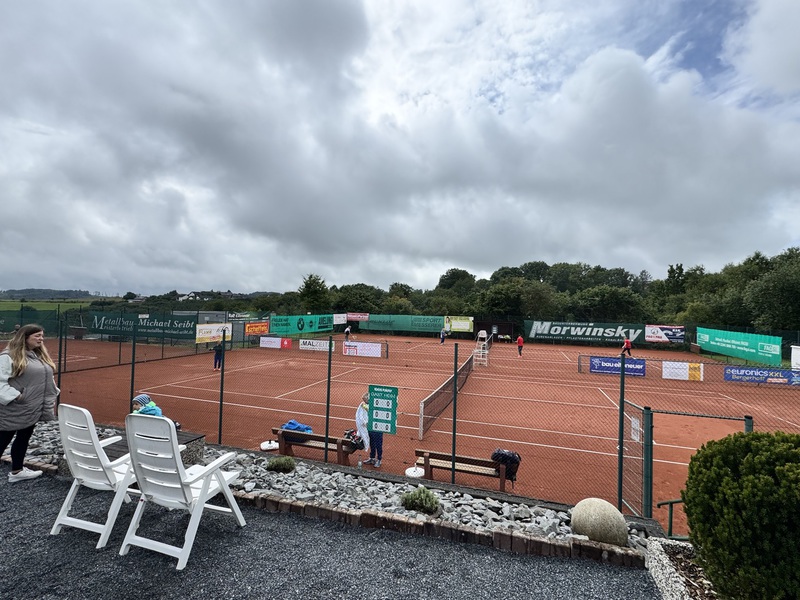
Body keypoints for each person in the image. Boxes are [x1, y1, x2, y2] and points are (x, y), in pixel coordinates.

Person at [0, 324, 59, 482]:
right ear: (25, 338)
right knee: (3, 439)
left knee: (23, 439)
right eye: (37, 336)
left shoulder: (37, 355)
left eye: (42, 335)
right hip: (14, 409)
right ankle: (17, 471)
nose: (41, 339)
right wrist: (17, 396)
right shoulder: (8, 356)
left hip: (31, 408)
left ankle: (17, 471)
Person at [355, 392, 370, 458]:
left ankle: (365, 444)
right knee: (364, 433)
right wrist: (364, 422)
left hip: (365, 422)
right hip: (363, 422)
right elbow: (361, 414)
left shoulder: (365, 404)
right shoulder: (363, 404)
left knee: (364, 433)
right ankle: (365, 445)